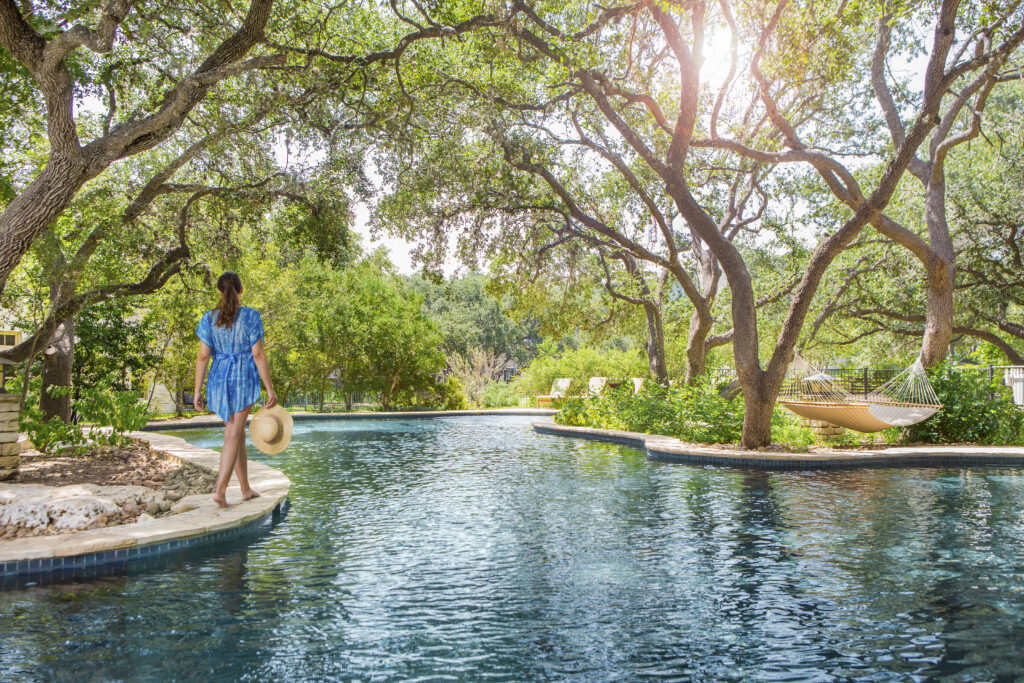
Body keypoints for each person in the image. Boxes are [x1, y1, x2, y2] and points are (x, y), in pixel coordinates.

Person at [194, 272, 278, 508]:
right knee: (233, 433)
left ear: (219, 293)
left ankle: (245, 488)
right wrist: (270, 389)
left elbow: (202, 357)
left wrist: (197, 390)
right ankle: (220, 491)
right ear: (241, 291)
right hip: (242, 376)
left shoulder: (208, 318)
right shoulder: (251, 317)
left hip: (218, 377)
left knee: (237, 432)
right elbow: (258, 354)